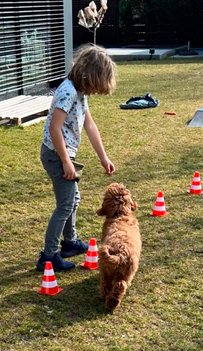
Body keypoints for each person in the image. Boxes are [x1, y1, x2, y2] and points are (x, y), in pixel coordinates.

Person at [37, 44, 117, 272]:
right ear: (89, 76)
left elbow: (90, 125)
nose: (94, 92)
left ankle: (70, 242)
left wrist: (103, 157)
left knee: (73, 200)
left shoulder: (80, 92)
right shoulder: (68, 91)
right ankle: (48, 256)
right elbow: (55, 128)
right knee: (65, 205)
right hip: (56, 154)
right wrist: (65, 161)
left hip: (65, 154)